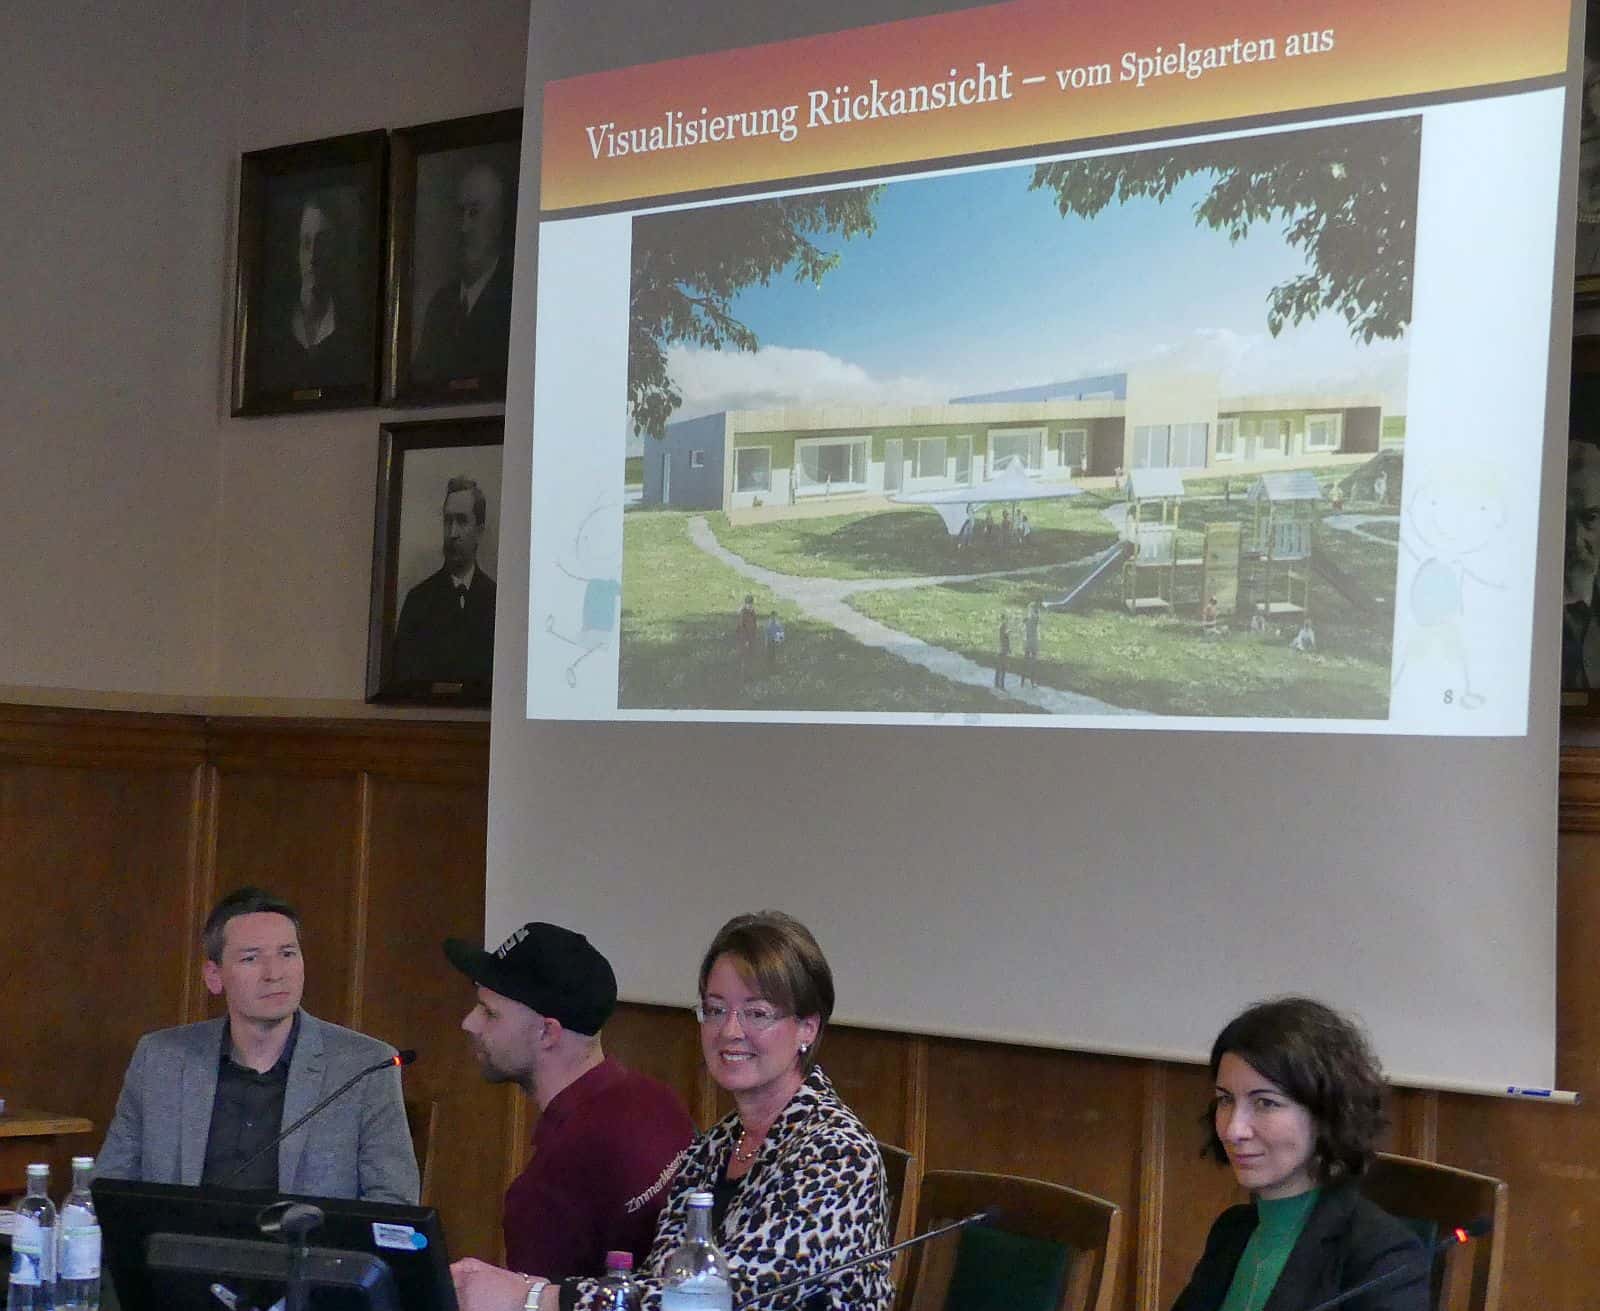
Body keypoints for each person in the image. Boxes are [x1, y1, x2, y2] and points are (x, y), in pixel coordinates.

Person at [452, 911, 892, 1311]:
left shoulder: (837, 1152)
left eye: (757, 1013)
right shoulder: (718, 1145)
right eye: (715, 1010)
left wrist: (536, 1298)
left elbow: (724, 1299)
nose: (729, 1031)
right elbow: (662, 1285)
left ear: (807, 1028)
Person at [97, 887, 418, 1202]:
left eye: (287, 954)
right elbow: (109, 1189)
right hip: (181, 1237)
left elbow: (394, 1202)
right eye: (251, 958)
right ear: (214, 976)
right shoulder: (160, 1058)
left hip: (307, 1239)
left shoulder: (366, 1065)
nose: (275, 974)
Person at [444, 922, 695, 1280]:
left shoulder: (549, 1186)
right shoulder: (659, 1100)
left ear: (548, 1032)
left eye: (489, 1012)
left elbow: (538, 1301)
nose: (469, 1023)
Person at [1170, 998, 1426, 1311]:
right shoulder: (1232, 1231)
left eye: (1265, 1103)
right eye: (1225, 1100)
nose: (1234, 1129)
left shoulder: (1383, 1255)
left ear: (1327, 1112)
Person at [413, 161, 515, 383]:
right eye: (460, 213)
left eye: (474, 213)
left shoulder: (514, 302)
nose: (463, 227)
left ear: (499, 222)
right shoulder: (441, 305)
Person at [392, 476, 497, 692]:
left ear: (479, 531)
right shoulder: (418, 601)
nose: (452, 533)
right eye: (448, 521)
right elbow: (401, 682)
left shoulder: (498, 602)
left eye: (462, 521)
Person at [259, 192, 366, 392]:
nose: (312, 257)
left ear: (337, 251)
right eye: (306, 243)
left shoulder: (353, 330)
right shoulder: (273, 326)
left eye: (323, 243)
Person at [1022, 600, 1041, 687]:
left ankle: (1033, 681)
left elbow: (1036, 617)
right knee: (1026, 661)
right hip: (1028, 641)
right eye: (1029, 609)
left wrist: (1033, 611)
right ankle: (1024, 679)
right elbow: (1023, 628)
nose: (1030, 611)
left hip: (1033, 642)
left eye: (1031, 609)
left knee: (1033, 662)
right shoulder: (1027, 619)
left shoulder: (1035, 618)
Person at [995, 612, 1011, 689]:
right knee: (1002, 668)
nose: (1006, 621)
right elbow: (1003, 638)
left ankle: (999, 684)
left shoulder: (1004, 627)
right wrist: (1007, 633)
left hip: (1003, 650)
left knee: (1001, 668)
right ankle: (1000, 685)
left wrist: (1009, 648)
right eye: (1005, 619)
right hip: (1002, 650)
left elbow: (1006, 640)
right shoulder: (1002, 627)